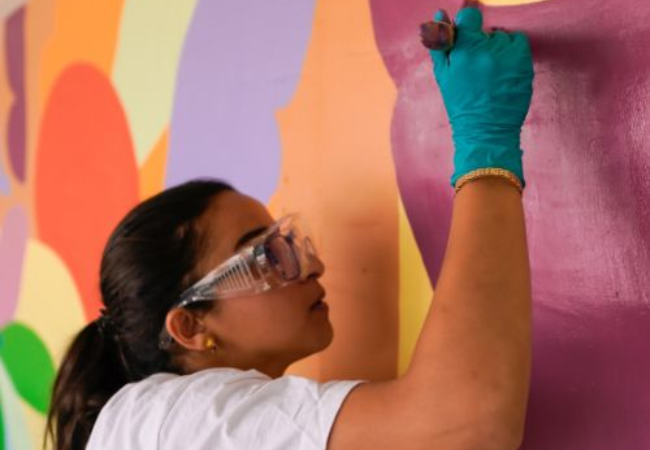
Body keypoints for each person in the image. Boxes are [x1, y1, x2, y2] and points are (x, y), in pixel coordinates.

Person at [45, 3, 533, 450]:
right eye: (267, 256)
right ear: (191, 325)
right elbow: (465, 422)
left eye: (292, 242)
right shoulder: (172, 416)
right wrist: (484, 144)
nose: (313, 265)